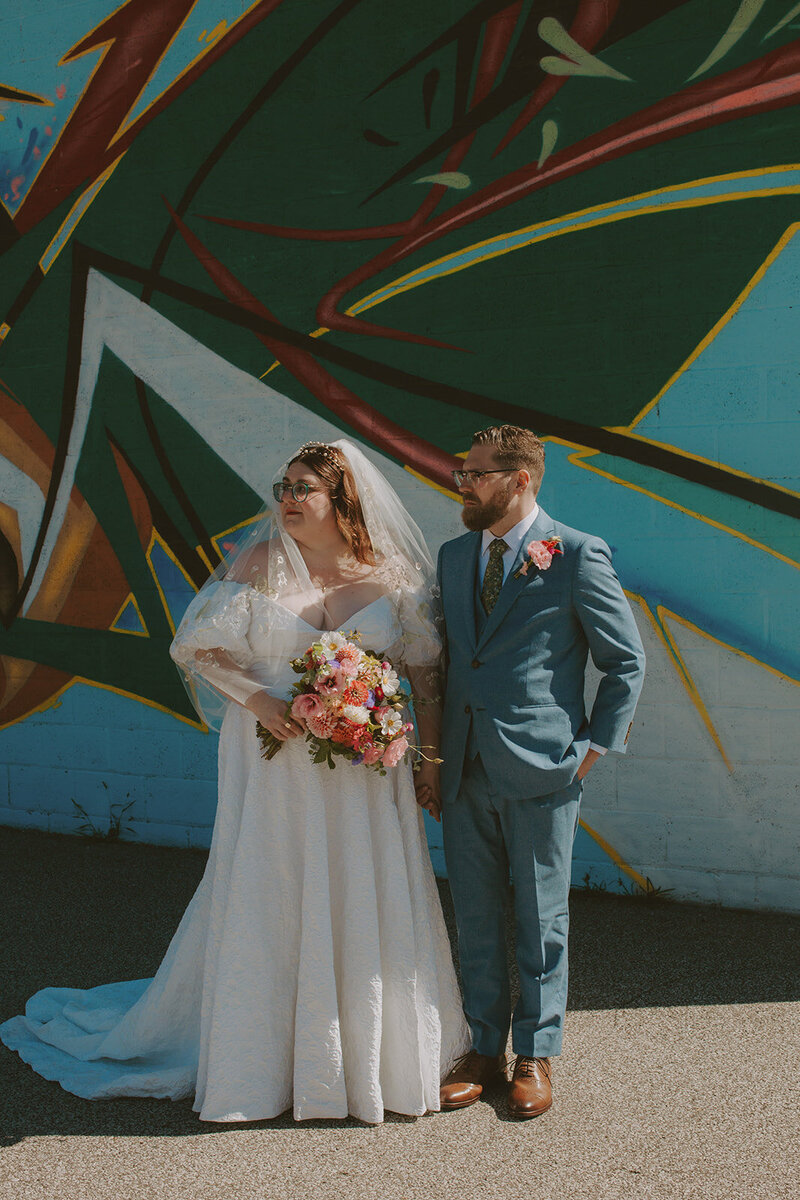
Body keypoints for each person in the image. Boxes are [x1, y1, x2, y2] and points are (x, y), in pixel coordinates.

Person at [0, 439, 469, 1124]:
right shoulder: (260, 564)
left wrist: (425, 763)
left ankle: (365, 1052)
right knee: (273, 886)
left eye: (304, 487)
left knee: (359, 884)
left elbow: (424, 672)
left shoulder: (392, 575)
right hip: (273, 756)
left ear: (344, 502)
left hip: (367, 771)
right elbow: (196, 647)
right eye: (284, 484)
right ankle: (263, 1055)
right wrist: (265, 704)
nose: (286, 498)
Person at [431, 425, 645, 1119]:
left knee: (540, 915)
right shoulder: (454, 554)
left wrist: (591, 749)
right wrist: (433, 759)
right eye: (464, 472)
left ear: (521, 479)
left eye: (478, 473)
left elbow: (625, 662)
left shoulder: (578, 555)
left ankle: (536, 1053)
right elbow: (447, 664)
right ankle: (484, 1047)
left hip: (543, 770)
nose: (464, 483)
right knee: (477, 915)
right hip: (465, 768)